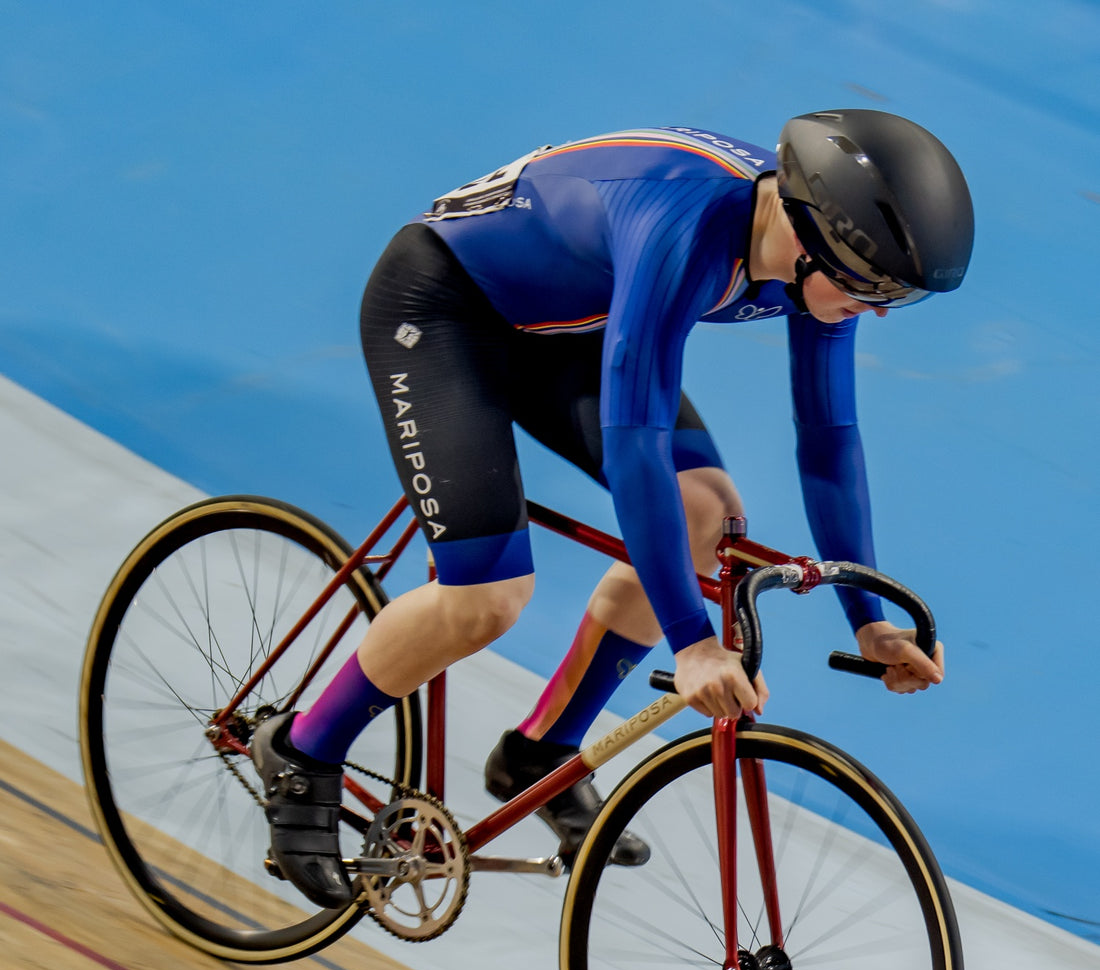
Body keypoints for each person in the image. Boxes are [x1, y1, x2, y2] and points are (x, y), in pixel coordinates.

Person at [250, 109, 974, 909]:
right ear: (810, 238)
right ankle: (301, 748)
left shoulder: (821, 271)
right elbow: (637, 447)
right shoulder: (685, 227)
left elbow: (830, 438)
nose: (874, 314)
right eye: (873, 291)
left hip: (568, 320)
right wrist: (693, 642)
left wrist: (865, 619)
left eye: (894, 300)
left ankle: (541, 750)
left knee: (706, 511)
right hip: (445, 304)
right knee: (487, 598)